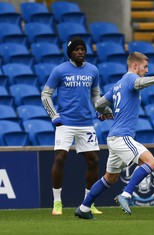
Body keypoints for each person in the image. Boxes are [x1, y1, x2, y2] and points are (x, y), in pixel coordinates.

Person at [74, 52, 154, 219]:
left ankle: (84, 208)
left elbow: (99, 104)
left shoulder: (118, 84)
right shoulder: (130, 79)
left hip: (114, 138)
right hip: (122, 137)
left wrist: (106, 112)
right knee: (151, 162)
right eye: (145, 66)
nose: (146, 70)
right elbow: (142, 82)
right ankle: (126, 194)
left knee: (110, 178)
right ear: (135, 66)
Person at [41, 37, 108, 215]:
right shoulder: (59, 70)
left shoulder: (93, 70)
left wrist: (99, 110)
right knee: (60, 158)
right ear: (70, 52)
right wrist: (54, 116)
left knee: (93, 160)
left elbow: (95, 96)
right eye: (77, 49)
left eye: (83, 49)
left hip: (86, 123)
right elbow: (45, 95)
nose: (80, 52)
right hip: (65, 124)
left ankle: (89, 203)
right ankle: (57, 203)